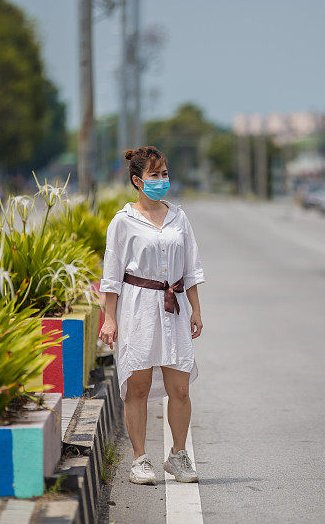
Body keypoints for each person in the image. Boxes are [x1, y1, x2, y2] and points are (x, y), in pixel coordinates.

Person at [98, 146, 205, 485]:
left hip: (173, 307)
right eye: (155, 175)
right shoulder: (122, 222)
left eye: (165, 174)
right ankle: (140, 459)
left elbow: (191, 268)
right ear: (137, 181)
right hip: (137, 308)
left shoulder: (179, 217)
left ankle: (177, 455)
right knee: (138, 387)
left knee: (181, 387)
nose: (162, 181)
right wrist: (110, 319)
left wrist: (196, 310)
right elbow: (111, 276)